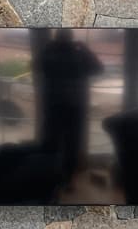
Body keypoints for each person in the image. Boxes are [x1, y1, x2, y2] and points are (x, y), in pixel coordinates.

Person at [41, 29, 104, 185]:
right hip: (75, 105)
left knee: (53, 141)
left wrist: (48, 48)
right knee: (72, 143)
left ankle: (52, 176)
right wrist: (85, 49)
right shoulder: (79, 55)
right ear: (71, 39)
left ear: (56, 39)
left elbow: (37, 66)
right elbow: (99, 69)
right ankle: (67, 177)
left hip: (54, 105)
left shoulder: (50, 55)